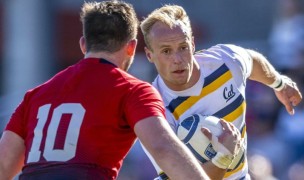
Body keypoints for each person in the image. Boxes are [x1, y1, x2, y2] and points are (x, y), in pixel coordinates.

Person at [0, 1, 210, 180]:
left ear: (84, 45)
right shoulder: (132, 90)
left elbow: (3, 166)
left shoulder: (35, 95)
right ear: (132, 47)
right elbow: (163, 147)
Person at [139, 4, 302, 180]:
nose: (177, 59)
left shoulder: (225, 62)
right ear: (149, 55)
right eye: (166, 51)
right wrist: (223, 156)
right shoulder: (153, 110)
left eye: (183, 47)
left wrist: (279, 83)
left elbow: (252, 61)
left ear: (193, 44)